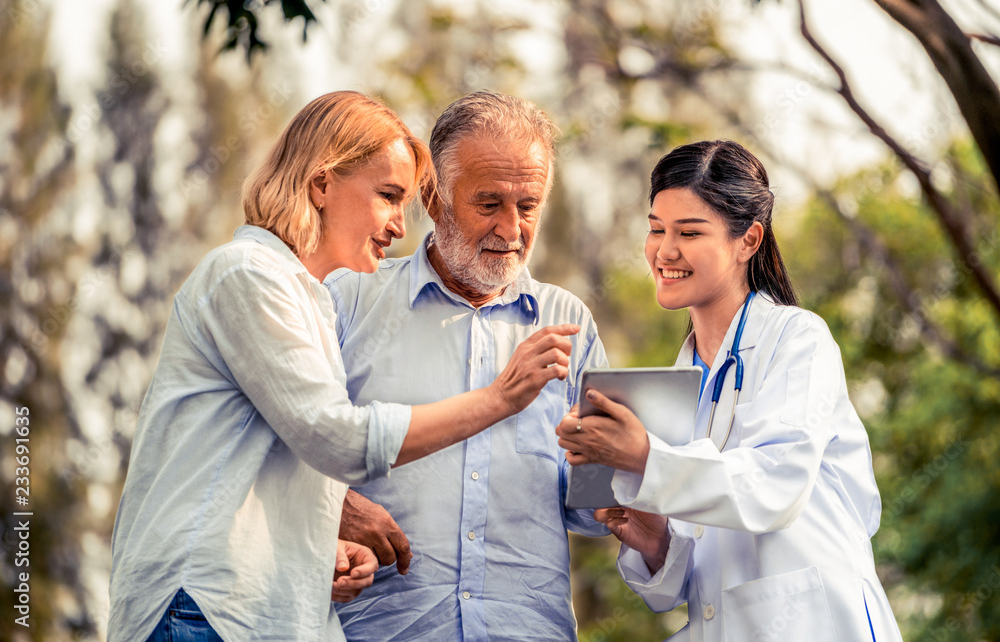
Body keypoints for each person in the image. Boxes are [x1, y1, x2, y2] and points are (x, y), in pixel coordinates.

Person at [108, 91, 580, 642]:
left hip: (265, 612)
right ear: (322, 184)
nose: (399, 227)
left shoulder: (305, 296)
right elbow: (340, 440)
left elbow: (270, 462)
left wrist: (323, 547)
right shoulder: (245, 274)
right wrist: (501, 398)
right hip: (204, 608)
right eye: (387, 196)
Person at [556, 140, 903, 641]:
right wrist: (653, 541)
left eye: (689, 232)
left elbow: (774, 484)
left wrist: (647, 458)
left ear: (749, 240)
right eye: (656, 229)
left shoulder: (798, 340)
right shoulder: (672, 386)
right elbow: (674, 589)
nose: (664, 251)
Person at [326, 91, 609, 640]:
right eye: (489, 204)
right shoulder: (349, 300)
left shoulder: (568, 319)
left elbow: (588, 510)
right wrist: (330, 504)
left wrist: (622, 475)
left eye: (528, 206)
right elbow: (280, 443)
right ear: (432, 195)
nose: (511, 228)